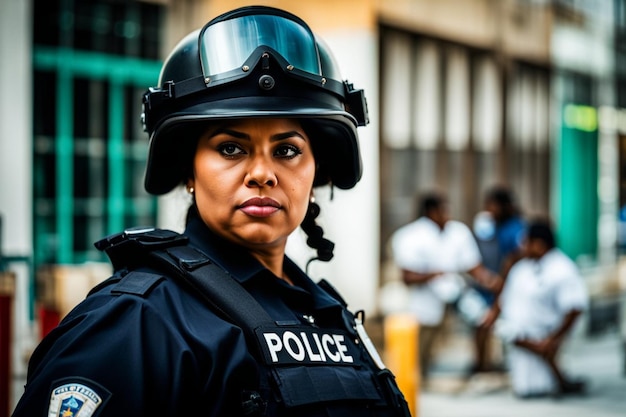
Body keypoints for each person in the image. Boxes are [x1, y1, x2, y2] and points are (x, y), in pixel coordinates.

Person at [12, 6, 410, 417]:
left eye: (287, 151)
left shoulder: (328, 312)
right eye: (230, 148)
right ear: (189, 169)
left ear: (316, 171)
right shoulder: (136, 322)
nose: (262, 174)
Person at [390, 191, 500, 383]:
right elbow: (407, 277)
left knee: (480, 317)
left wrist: (493, 282)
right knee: (424, 335)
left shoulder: (458, 232)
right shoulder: (410, 236)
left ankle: (481, 367)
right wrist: (434, 275)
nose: (448, 214)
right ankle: (416, 376)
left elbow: (473, 266)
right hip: (426, 295)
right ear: (431, 212)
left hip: (455, 289)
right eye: (443, 210)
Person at [493, 219, 588, 398]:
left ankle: (559, 378)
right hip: (517, 335)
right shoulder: (520, 268)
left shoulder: (563, 269)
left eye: (526, 242)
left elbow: (574, 307)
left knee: (540, 385)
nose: (522, 247)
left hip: (547, 334)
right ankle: (561, 379)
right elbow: (504, 299)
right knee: (526, 386)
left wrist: (553, 339)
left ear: (539, 244)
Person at [471, 185, 526, 374]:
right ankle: (482, 363)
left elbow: (514, 258)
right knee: (482, 322)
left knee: (494, 322)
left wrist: (501, 282)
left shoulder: (516, 228)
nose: (488, 210)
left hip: (509, 285)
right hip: (493, 284)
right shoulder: (492, 226)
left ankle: (492, 365)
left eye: (492, 206)